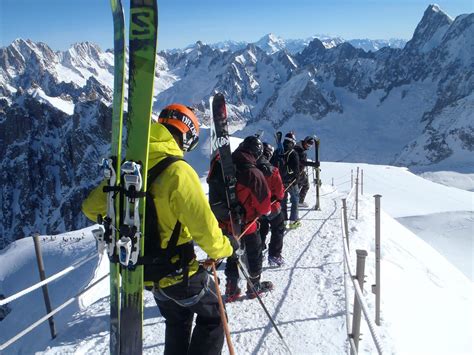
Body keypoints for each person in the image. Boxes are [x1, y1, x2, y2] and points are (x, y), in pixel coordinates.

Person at [82, 104, 234, 355]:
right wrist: (226, 247)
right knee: (215, 316)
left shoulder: (128, 168)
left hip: (145, 273)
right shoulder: (178, 172)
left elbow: (90, 207)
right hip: (179, 273)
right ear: (186, 136)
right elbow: (205, 230)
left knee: (177, 320)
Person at [221, 136, 273, 302]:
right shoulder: (253, 173)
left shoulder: (223, 165)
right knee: (254, 254)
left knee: (232, 253)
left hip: (224, 222)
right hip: (247, 224)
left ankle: (232, 287)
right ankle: (253, 286)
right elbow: (265, 207)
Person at [256, 142, 286, 267]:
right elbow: (280, 193)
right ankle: (274, 255)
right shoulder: (273, 171)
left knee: (261, 229)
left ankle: (258, 253)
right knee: (278, 228)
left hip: (256, 207)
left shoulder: (252, 168)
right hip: (272, 206)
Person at [273, 132, 300, 229]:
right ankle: (294, 222)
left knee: (282, 202)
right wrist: (296, 179)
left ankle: (283, 222)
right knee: (295, 200)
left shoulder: (277, 151)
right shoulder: (293, 153)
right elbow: (297, 169)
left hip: (280, 182)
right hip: (291, 182)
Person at [294, 136, 319, 207]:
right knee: (306, 185)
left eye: (310, 146)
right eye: (308, 145)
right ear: (304, 142)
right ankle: (299, 201)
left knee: (298, 185)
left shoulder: (298, 147)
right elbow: (302, 162)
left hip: (297, 171)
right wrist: (313, 164)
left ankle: (295, 199)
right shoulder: (299, 150)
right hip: (298, 171)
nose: (308, 147)